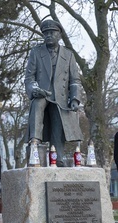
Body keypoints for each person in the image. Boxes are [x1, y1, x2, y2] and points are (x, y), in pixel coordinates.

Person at [24, 19, 83, 167]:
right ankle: (34, 145)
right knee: (37, 105)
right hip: (42, 94)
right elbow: (29, 78)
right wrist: (33, 89)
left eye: (52, 32)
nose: (49, 35)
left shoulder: (68, 55)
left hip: (60, 99)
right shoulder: (36, 52)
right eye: (46, 33)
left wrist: (75, 98)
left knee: (58, 119)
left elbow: (75, 80)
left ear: (59, 35)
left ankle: (59, 156)